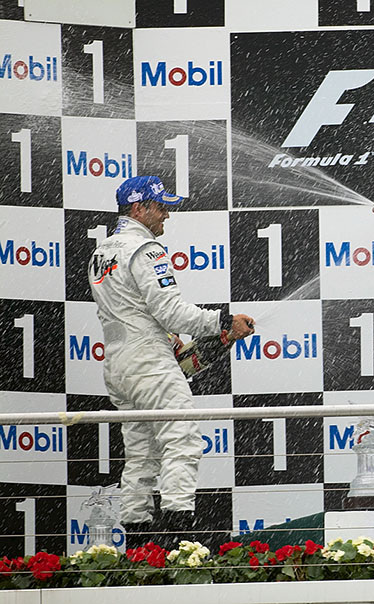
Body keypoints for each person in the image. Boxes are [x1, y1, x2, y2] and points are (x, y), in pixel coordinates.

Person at [88, 175, 255, 549]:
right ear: (139, 209)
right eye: (161, 207)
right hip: (149, 363)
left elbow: (133, 313)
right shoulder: (146, 250)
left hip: (119, 366)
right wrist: (223, 321)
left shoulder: (102, 252)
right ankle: (180, 543)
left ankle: (138, 551)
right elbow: (171, 312)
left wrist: (185, 337)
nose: (167, 214)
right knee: (183, 442)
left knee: (140, 456)